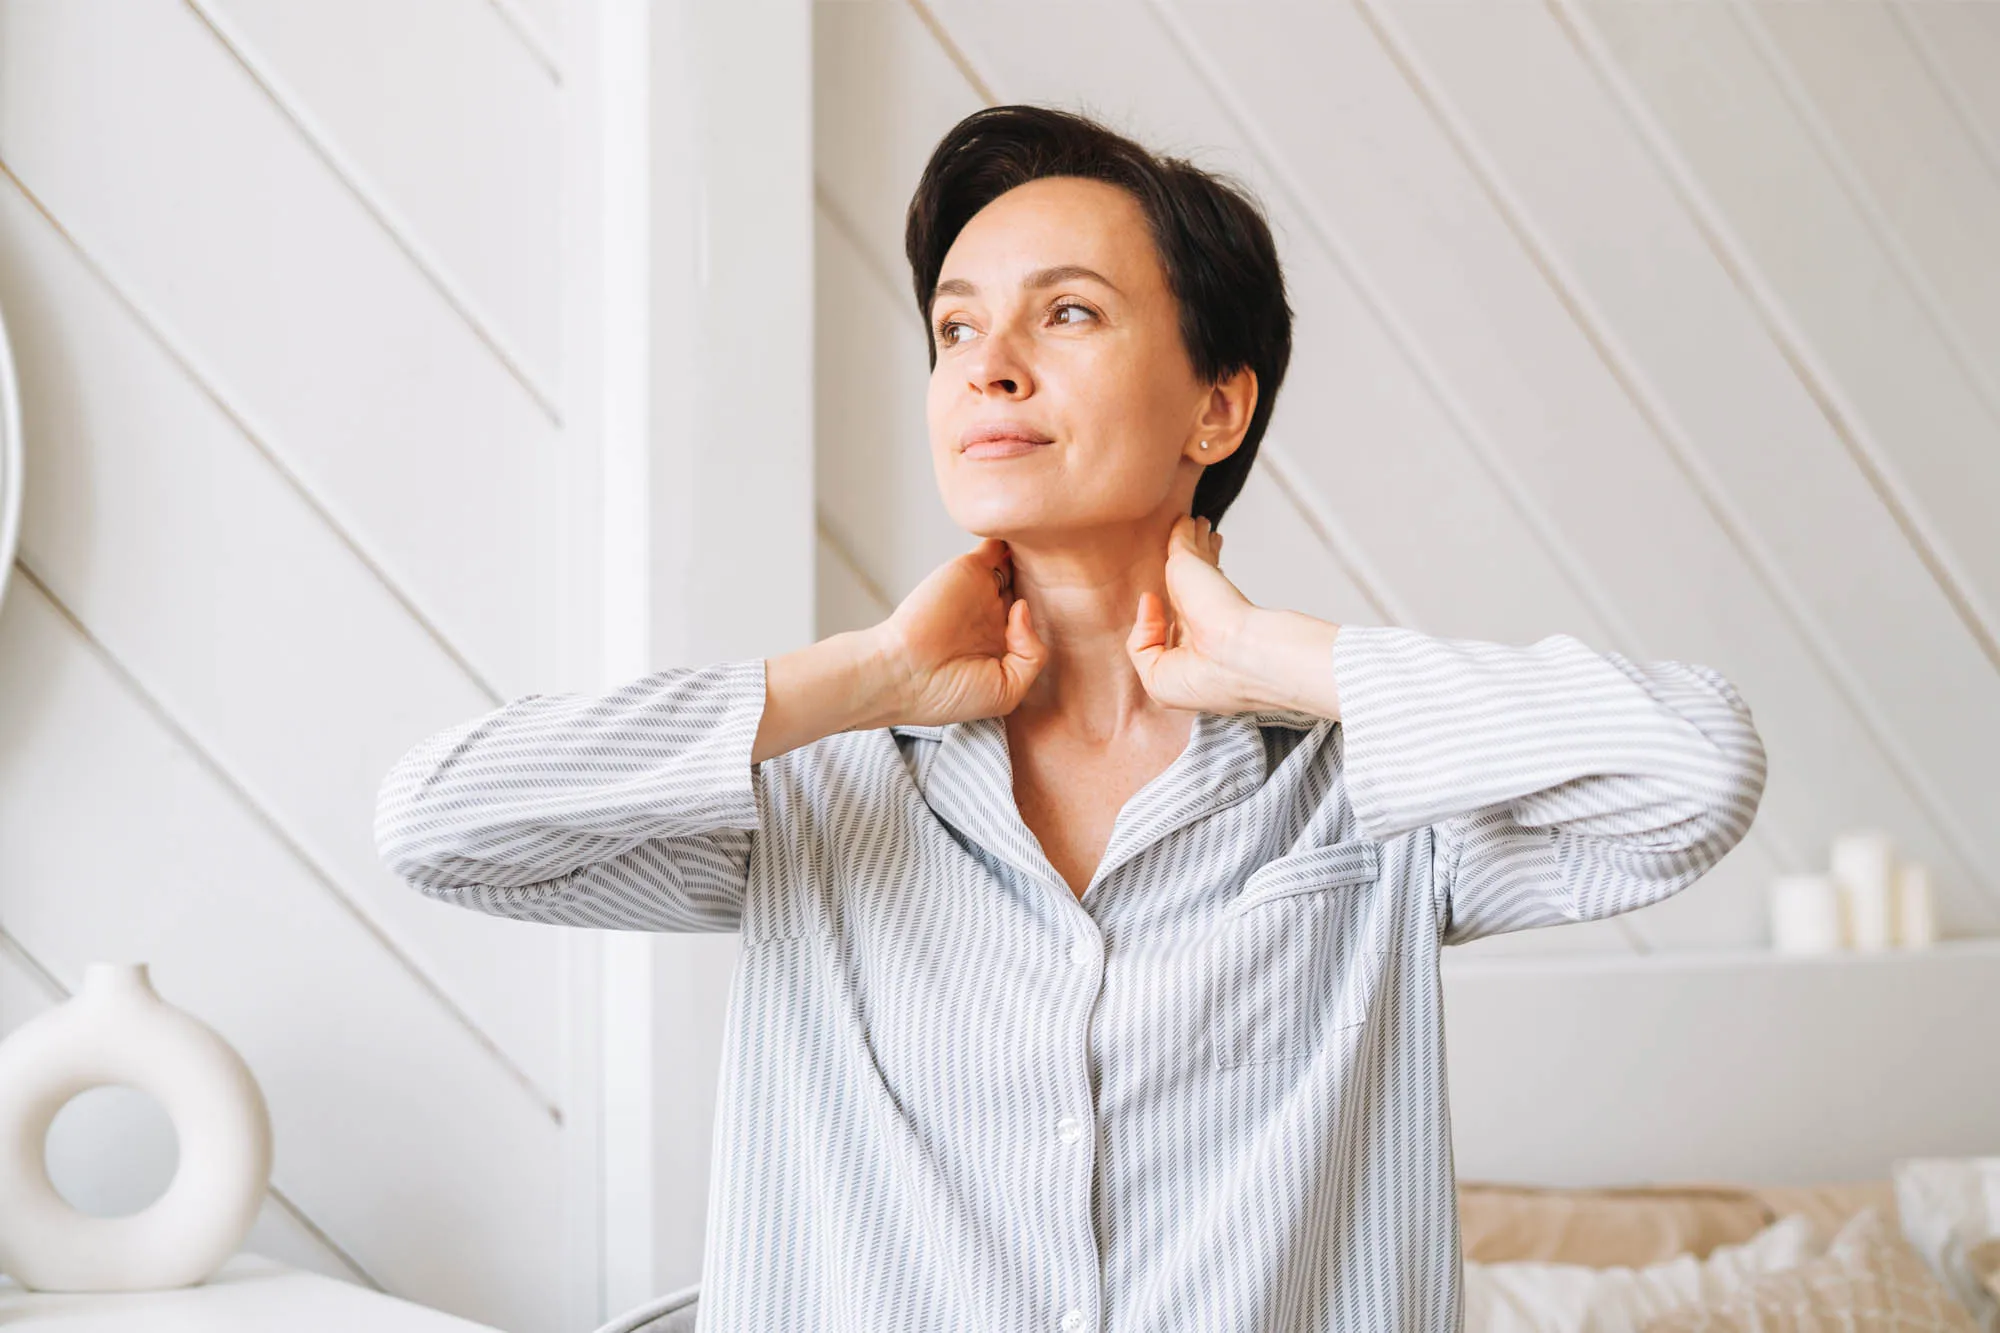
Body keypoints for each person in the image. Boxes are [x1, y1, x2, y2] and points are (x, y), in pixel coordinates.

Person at [374, 104, 1767, 1332]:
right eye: (958, 326)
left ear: (1215, 410)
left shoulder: (1364, 793)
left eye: (1070, 313)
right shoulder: (825, 790)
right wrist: (858, 677)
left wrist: (1278, 654)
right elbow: (442, 824)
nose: (991, 365)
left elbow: (1694, 772)